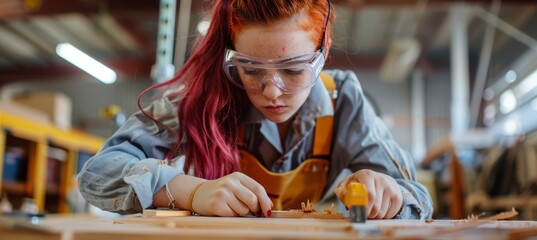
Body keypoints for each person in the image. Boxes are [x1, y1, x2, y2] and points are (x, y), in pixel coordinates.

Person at [78, 0, 433, 219]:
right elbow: (97, 175)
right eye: (250, 70)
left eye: (293, 70)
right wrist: (188, 190)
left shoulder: (344, 101)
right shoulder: (205, 97)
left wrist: (389, 193)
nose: (271, 92)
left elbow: (418, 198)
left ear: (321, 56)